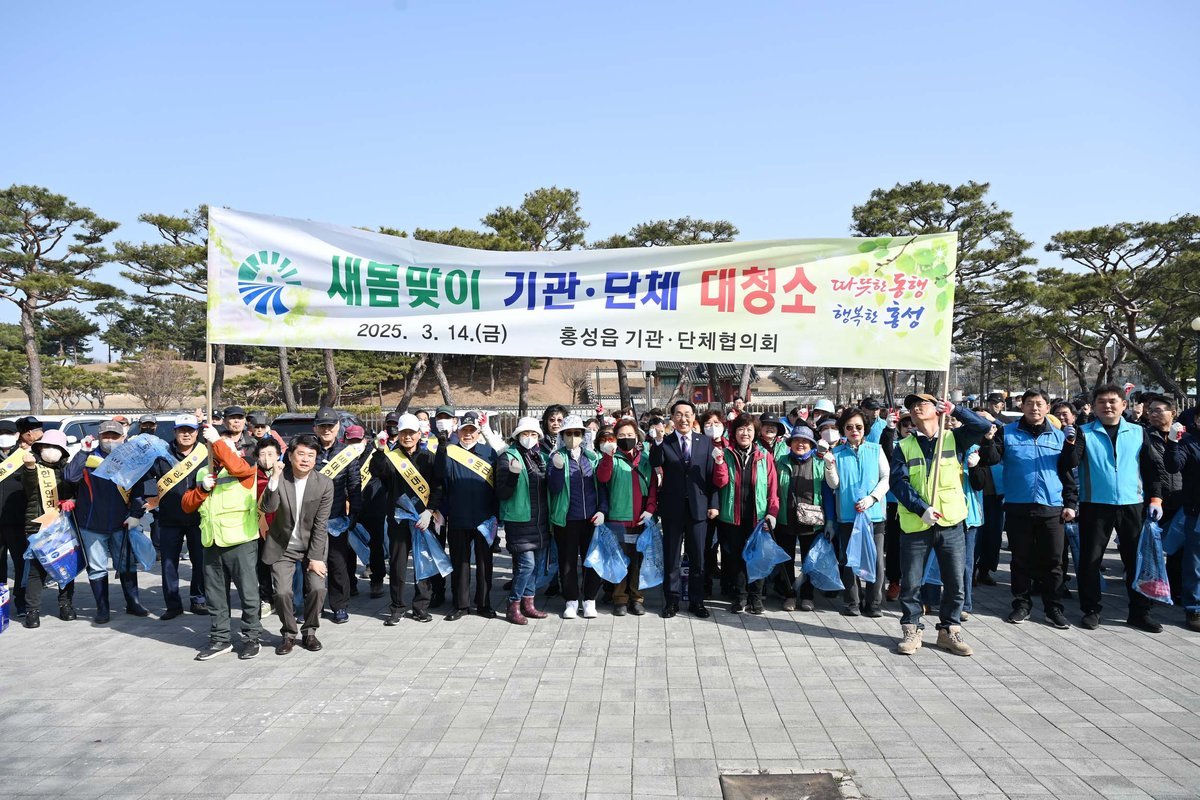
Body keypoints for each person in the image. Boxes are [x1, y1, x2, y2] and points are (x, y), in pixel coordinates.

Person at [890, 393, 991, 657]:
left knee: (955, 581)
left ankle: (949, 630)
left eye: (922, 403)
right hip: (916, 523)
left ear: (937, 409)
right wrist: (920, 508)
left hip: (951, 521)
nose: (916, 408)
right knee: (911, 582)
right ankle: (911, 628)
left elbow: (983, 426)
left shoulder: (954, 438)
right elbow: (898, 483)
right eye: (912, 406)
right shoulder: (904, 445)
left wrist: (956, 410)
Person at [1073, 384, 1168, 633]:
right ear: (1094, 407)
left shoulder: (1138, 432)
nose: (1107, 406)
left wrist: (1156, 499)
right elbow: (1069, 463)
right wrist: (1070, 442)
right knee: (1090, 560)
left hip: (1132, 504)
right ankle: (1091, 610)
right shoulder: (1083, 432)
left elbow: (1152, 469)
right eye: (1101, 401)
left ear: (1123, 405)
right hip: (1095, 504)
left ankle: (1140, 612)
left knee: (1136, 560)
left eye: (1113, 401)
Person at [983, 390, 1078, 629]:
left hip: (1051, 506)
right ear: (1021, 406)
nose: (1034, 408)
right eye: (1029, 404)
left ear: (1047, 407)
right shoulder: (1006, 432)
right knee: (1020, 559)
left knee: (1054, 561)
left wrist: (1070, 504)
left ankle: (1053, 608)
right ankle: (1022, 604)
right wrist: (987, 440)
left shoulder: (1059, 436)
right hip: (1018, 505)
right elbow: (992, 458)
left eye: (1039, 404)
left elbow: (1067, 472)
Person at [178, 422, 266, 660]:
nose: (219, 448)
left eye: (225, 444)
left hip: (240, 540)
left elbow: (237, 467)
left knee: (248, 593)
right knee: (215, 596)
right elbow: (186, 505)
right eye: (215, 444)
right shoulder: (202, 473)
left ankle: (251, 637)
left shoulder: (246, 465)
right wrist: (202, 489)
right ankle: (220, 638)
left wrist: (218, 441)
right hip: (212, 541)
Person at [649, 399, 729, 619]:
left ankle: (697, 601)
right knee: (672, 556)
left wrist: (714, 504)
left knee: (698, 557)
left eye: (687, 414)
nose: (683, 419)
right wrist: (657, 441)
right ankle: (671, 601)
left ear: (694, 417)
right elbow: (655, 462)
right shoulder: (665, 442)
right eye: (678, 414)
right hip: (672, 508)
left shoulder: (705, 442)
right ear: (672, 418)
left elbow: (712, 477)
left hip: (699, 507)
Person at [66, 420, 150, 623]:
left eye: (115, 436)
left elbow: (139, 490)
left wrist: (136, 514)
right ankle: (102, 608)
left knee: (127, 564)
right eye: (106, 436)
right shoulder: (88, 458)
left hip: (122, 523)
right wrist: (83, 452)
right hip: (92, 524)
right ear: (99, 437)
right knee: (97, 567)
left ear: (123, 438)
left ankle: (133, 603)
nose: (110, 440)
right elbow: (70, 477)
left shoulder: (131, 460)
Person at [258, 434, 333, 655]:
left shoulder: (324, 484)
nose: (305, 459)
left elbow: (321, 524)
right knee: (282, 593)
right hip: (283, 546)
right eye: (301, 454)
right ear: (290, 456)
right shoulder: (280, 478)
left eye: (311, 455)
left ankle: (310, 632)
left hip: (312, 546)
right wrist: (274, 478)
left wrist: (316, 558)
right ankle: (288, 634)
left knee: (318, 588)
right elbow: (268, 508)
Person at [370, 413, 442, 624]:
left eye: (411, 433)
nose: (407, 437)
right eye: (404, 433)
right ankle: (397, 607)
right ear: (398, 434)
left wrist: (430, 511)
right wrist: (380, 450)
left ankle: (421, 606)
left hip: (423, 519)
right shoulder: (391, 457)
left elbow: (438, 487)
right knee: (397, 565)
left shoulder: (428, 457)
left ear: (419, 434)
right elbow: (377, 471)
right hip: (399, 520)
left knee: (423, 563)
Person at [138, 414, 209, 619]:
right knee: (169, 564)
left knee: (200, 561)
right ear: (175, 432)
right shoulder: (162, 453)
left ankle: (199, 599)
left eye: (190, 430)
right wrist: (152, 498)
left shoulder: (206, 453)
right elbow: (147, 478)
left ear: (197, 432)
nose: (186, 434)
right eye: (182, 430)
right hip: (169, 518)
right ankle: (173, 604)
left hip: (199, 517)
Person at [825, 407, 890, 617]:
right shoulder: (836, 453)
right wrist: (829, 467)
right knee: (849, 559)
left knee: (876, 560)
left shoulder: (876, 449)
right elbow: (834, 484)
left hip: (874, 515)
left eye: (859, 427)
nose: (854, 431)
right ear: (843, 429)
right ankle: (852, 602)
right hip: (847, 515)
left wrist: (872, 498)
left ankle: (874, 603)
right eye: (849, 427)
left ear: (865, 428)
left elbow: (886, 478)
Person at [435, 411, 500, 620]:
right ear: (458, 431)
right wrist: (442, 448)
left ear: (478, 432)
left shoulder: (489, 453)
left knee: (484, 563)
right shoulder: (450, 452)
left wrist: (496, 515)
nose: (468, 434)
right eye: (465, 430)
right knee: (460, 563)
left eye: (472, 430)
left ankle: (484, 604)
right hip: (458, 517)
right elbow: (440, 476)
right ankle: (461, 605)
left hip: (484, 518)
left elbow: (498, 486)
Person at [716, 414, 779, 614]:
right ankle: (740, 596)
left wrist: (772, 512)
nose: (745, 433)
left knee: (757, 557)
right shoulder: (726, 454)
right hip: (731, 516)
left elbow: (772, 488)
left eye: (749, 429)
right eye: (741, 429)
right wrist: (719, 463)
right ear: (734, 432)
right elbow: (719, 482)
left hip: (757, 518)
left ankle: (756, 597)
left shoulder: (764, 456)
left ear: (755, 433)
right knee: (735, 558)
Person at [547, 415, 608, 619]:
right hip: (567, 519)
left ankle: (590, 599)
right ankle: (571, 600)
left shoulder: (592, 458)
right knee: (567, 562)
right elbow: (554, 489)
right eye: (568, 433)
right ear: (562, 436)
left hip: (591, 518)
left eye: (577, 433)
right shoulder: (556, 457)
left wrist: (602, 510)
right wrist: (557, 469)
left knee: (592, 560)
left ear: (583, 436)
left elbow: (601, 487)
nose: (573, 437)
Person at [597, 418, 657, 616]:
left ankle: (637, 598)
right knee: (619, 560)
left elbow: (653, 486)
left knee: (637, 559)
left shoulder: (645, 459)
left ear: (637, 437)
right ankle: (620, 598)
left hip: (640, 518)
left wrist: (650, 509)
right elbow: (603, 477)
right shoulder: (611, 458)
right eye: (621, 435)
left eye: (630, 435)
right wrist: (608, 456)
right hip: (618, 518)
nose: (626, 438)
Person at [496, 417, 551, 624]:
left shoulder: (542, 457)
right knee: (526, 565)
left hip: (540, 520)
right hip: (519, 520)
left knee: (536, 565)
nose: (529, 437)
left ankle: (529, 604)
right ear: (517, 436)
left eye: (533, 434)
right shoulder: (508, 457)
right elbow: (502, 492)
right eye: (525, 434)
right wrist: (512, 476)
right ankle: (513, 605)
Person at [18, 430, 76, 627]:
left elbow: (76, 491)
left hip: (63, 526)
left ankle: (66, 604)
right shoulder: (33, 468)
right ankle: (32, 611)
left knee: (66, 566)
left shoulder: (67, 471)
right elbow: (28, 486)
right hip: (38, 526)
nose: (51, 450)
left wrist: (72, 500)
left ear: (63, 451)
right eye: (47, 446)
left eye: (56, 447)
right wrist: (29, 468)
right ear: (40, 448)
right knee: (36, 570)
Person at [311, 407, 363, 624]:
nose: (326, 429)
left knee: (337, 563)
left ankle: (339, 605)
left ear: (338, 427)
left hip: (337, 517)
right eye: (322, 426)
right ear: (315, 428)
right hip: (310, 518)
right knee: (311, 563)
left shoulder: (346, 453)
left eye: (330, 426)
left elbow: (354, 484)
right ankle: (312, 605)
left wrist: (355, 513)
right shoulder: (308, 450)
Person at [774, 426, 831, 611]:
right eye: (797, 440)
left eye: (805, 441)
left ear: (812, 445)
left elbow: (827, 492)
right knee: (786, 560)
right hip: (785, 518)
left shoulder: (819, 462)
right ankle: (789, 595)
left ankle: (807, 595)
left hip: (812, 520)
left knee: (809, 560)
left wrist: (830, 520)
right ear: (790, 443)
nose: (800, 444)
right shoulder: (780, 461)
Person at [1145, 395, 1185, 602]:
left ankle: (1175, 590)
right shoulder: (1143, 436)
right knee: (1150, 548)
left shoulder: (1184, 437)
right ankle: (1149, 589)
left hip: (1180, 500)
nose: (1152, 414)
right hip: (1153, 501)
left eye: (1158, 410)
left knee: (1178, 550)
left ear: (1173, 413)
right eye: (1150, 410)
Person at [1164, 418, 1200, 630]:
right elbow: (1173, 465)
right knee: (1194, 563)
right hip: (1196, 512)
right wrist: (1172, 442)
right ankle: (1194, 608)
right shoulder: (1188, 443)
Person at [974, 411, 1005, 587]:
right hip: (975, 495)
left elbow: (1007, 430)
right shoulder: (967, 436)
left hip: (996, 495)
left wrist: (994, 420)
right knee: (975, 537)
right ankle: (970, 571)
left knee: (993, 536)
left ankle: (985, 570)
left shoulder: (997, 436)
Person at [0, 420, 28, 618]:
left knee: (20, 563)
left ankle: (21, 600)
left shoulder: (25, 456)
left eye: (8, 433)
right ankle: (2, 602)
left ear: (17, 435)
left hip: (18, 520)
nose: (4, 436)